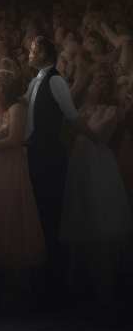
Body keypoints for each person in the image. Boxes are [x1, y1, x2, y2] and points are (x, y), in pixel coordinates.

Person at [24, 37, 93, 310]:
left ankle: (56, 291)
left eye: (31, 50)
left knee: (51, 222)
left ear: (42, 52)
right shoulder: (34, 81)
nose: (28, 54)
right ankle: (43, 286)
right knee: (39, 222)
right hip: (34, 154)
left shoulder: (55, 81)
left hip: (50, 157)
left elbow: (72, 116)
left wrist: (94, 136)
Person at [0, 69, 45, 306]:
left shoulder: (16, 108)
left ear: (1, 88)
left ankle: (13, 291)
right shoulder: (1, 111)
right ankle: (3, 287)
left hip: (11, 168)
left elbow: (13, 140)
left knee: (12, 222)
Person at [59, 69, 128, 311]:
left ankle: (107, 296)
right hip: (82, 162)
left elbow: (98, 137)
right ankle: (100, 294)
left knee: (100, 232)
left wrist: (76, 122)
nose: (94, 85)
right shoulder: (89, 103)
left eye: (99, 81)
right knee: (87, 233)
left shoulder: (112, 110)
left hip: (98, 165)